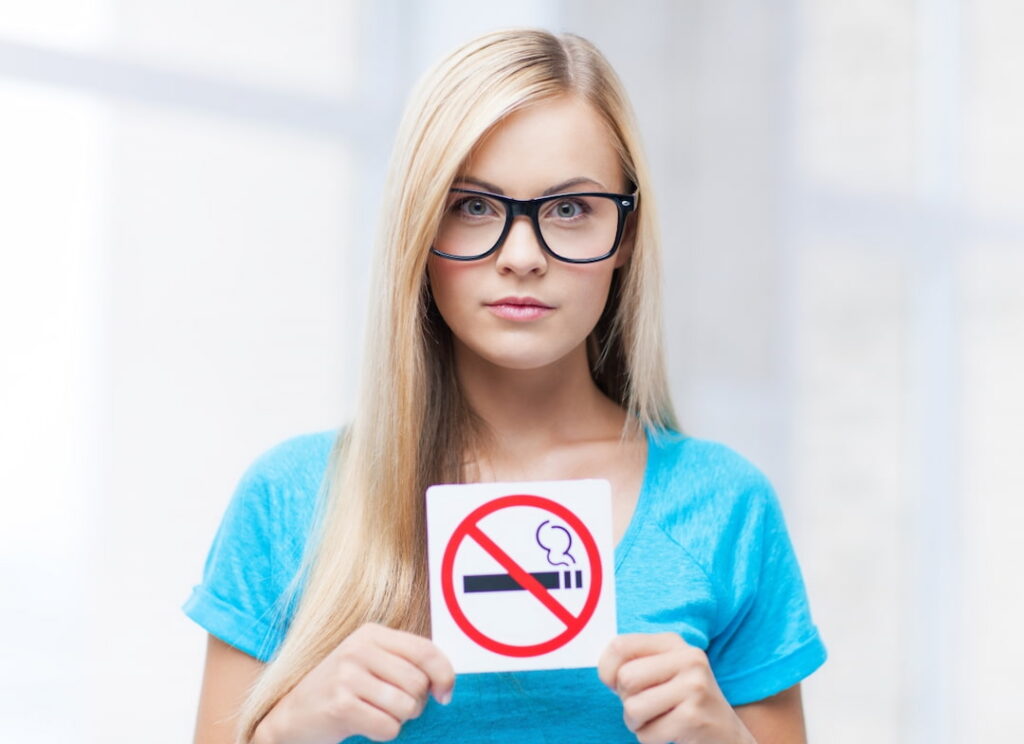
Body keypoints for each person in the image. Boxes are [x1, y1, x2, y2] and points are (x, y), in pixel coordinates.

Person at [183, 28, 827, 744]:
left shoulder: (724, 505)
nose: (522, 257)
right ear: (417, 229)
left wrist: (724, 738)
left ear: (627, 238)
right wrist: (289, 728)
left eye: (571, 210)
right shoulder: (291, 500)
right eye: (475, 206)